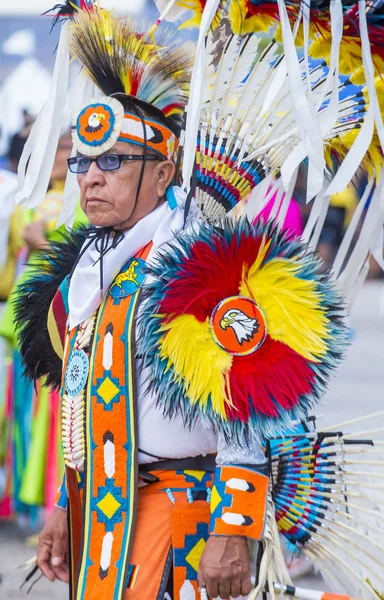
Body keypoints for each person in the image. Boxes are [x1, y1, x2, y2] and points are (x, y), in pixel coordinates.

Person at [13, 2, 382, 600]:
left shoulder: (199, 266)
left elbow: (244, 412)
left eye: (113, 162)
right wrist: (65, 502)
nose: (90, 179)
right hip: (104, 517)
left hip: (184, 517)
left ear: (162, 174)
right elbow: (83, 398)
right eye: (83, 164)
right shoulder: (89, 269)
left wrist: (232, 531)